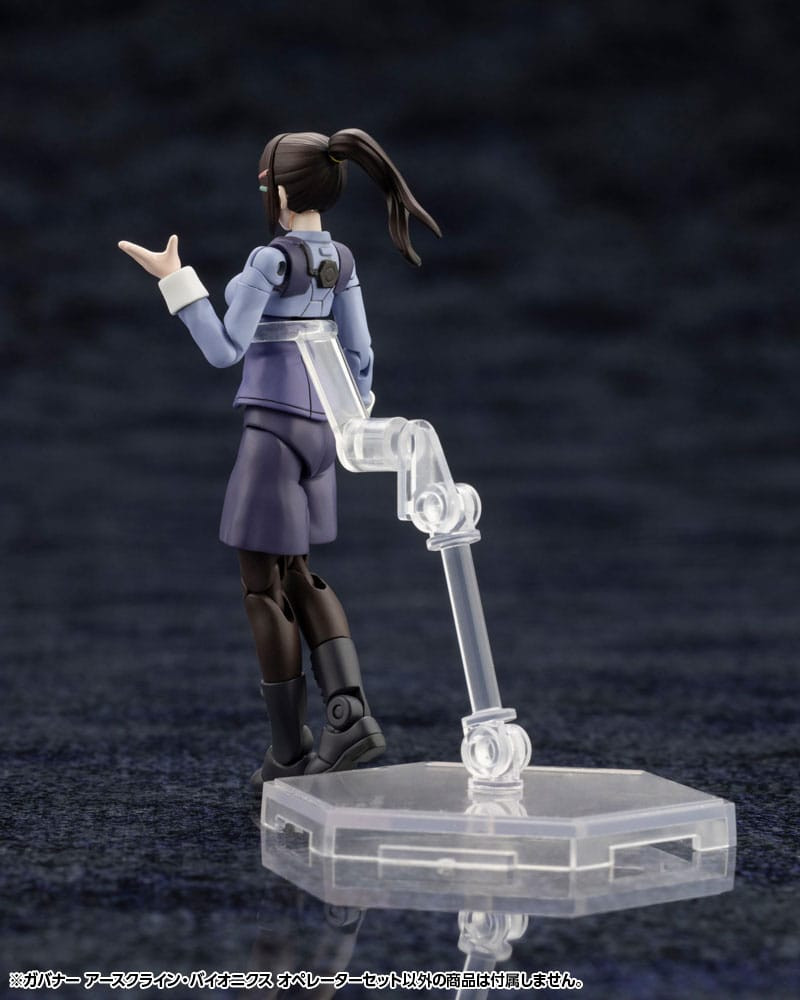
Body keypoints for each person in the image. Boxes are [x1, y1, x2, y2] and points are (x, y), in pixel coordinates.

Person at [119, 129, 440, 791]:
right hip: (325, 429)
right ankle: (347, 714)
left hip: (272, 426)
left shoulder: (270, 260)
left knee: (261, 587)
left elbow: (223, 349)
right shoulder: (341, 260)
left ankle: (290, 751)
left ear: (284, 191)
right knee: (299, 574)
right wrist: (350, 419)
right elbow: (362, 354)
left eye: (266, 183)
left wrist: (175, 279)